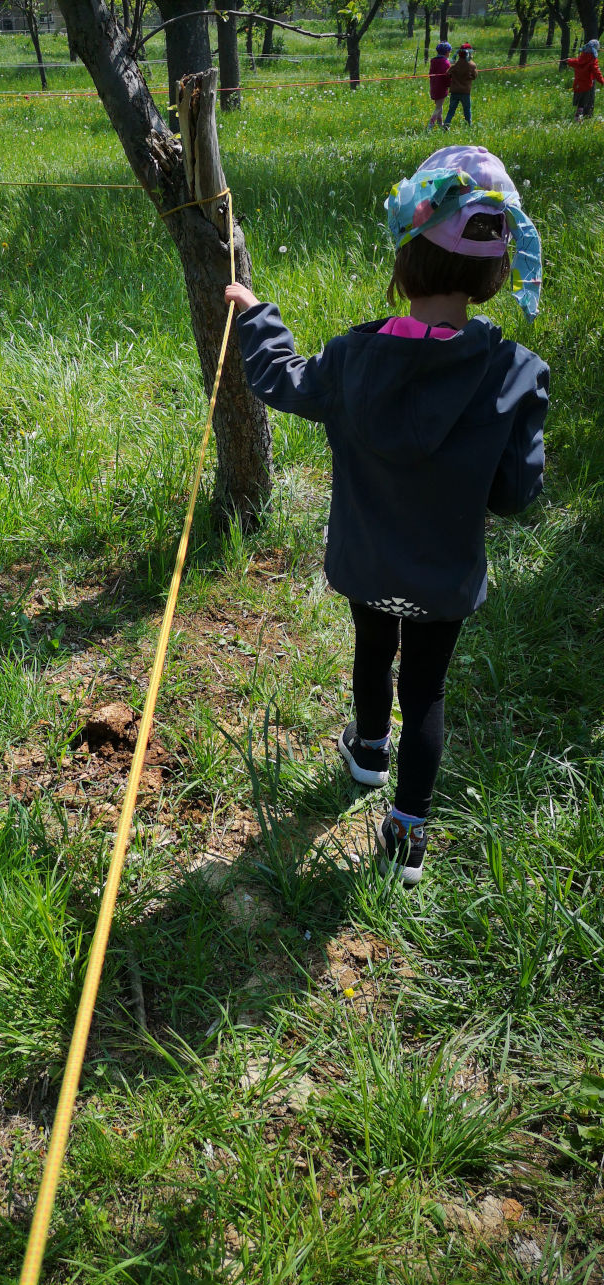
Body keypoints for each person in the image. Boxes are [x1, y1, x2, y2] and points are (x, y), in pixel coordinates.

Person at [225, 146, 548, 883]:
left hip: (368, 567)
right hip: (443, 579)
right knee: (426, 689)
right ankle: (406, 840)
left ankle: (368, 751)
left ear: (404, 260)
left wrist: (255, 313)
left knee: (373, 654)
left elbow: (281, 378)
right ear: (498, 273)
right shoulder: (515, 374)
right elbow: (514, 494)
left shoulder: (353, 357)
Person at [566, 38, 604, 122]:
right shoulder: (592, 60)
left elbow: (575, 62)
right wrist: (602, 81)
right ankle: (578, 119)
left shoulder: (581, 57)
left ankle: (577, 118)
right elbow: (596, 72)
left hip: (577, 85)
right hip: (586, 85)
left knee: (580, 103)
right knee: (583, 103)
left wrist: (569, 61)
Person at [444, 43, 478, 128]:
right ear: (469, 53)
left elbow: (448, 73)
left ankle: (446, 125)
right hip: (465, 92)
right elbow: (475, 76)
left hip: (454, 92)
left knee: (451, 110)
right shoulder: (472, 65)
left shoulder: (455, 65)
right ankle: (469, 126)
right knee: (467, 110)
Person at [428, 41, 452, 129]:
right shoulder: (446, 63)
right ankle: (430, 126)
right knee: (438, 108)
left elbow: (430, 74)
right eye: (449, 51)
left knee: (439, 107)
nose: (450, 53)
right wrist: (450, 84)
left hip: (434, 86)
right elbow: (448, 76)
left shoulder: (433, 61)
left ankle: (440, 125)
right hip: (441, 88)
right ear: (446, 52)